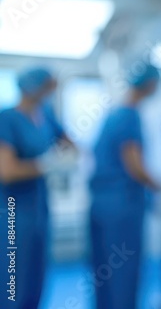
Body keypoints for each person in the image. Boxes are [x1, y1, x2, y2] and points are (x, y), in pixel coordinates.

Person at [89, 63, 161, 309]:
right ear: (151, 84)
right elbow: (135, 167)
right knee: (123, 275)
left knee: (105, 273)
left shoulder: (113, 114)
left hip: (101, 205)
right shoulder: (129, 115)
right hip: (122, 210)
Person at [0, 66, 75, 309]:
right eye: (47, 87)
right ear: (33, 87)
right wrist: (46, 164)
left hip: (40, 208)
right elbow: (7, 172)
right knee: (13, 283)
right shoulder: (7, 119)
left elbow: (71, 145)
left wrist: (67, 157)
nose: (50, 92)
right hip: (13, 212)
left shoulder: (46, 115)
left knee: (36, 278)